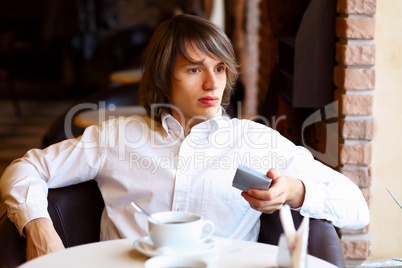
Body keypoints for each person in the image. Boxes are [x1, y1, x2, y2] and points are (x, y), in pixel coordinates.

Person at [0, 14, 369, 261]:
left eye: (220, 68)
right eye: (194, 69)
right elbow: (25, 168)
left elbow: (356, 208)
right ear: (163, 77)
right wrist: (39, 226)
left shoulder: (255, 140)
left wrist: (294, 190)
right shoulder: (117, 138)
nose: (213, 83)